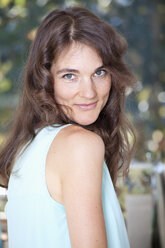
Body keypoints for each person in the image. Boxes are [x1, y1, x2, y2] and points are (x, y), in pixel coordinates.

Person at [0, 6, 136, 248]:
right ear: (45, 79)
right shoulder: (79, 145)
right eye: (69, 76)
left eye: (99, 72)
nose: (89, 92)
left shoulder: (27, 148)